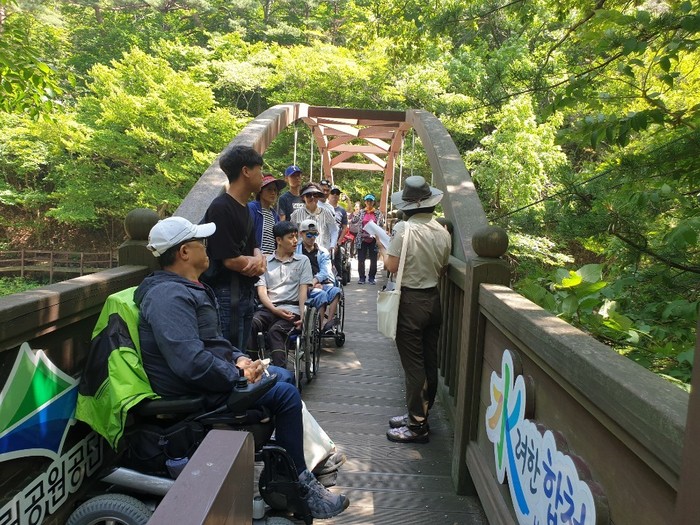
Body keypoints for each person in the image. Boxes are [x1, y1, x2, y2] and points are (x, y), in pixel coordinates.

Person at [136, 217, 350, 518]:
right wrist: (238, 375)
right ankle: (296, 484)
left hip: (206, 378)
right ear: (184, 252)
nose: (207, 247)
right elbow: (190, 362)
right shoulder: (168, 296)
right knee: (285, 394)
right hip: (189, 390)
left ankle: (293, 471)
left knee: (284, 376)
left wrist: (239, 358)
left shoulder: (183, 287)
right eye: (201, 242)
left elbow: (212, 343)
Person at [376, 176, 451, 444]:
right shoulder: (443, 231)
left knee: (414, 366)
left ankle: (417, 427)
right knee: (429, 361)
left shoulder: (404, 229)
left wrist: (382, 249)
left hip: (410, 302)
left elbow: (392, 266)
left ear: (408, 205)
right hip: (434, 300)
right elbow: (442, 267)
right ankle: (419, 415)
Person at [202, 146, 266, 350]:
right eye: (260, 169)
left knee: (241, 349)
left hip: (245, 292)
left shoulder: (245, 207)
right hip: (227, 293)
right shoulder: (221, 207)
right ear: (246, 171)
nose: (262, 176)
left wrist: (258, 259)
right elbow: (229, 259)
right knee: (230, 351)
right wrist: (257, 263)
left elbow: (253, 246)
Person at [250, 221, 313, 368]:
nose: (296, 240)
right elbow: (261, 292)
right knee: (252, 323)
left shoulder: (303, 261)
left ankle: (280, 372)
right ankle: (253, 367)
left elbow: (303, 291)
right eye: (291, 237)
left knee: (276, 331)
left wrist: (303, 317)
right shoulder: (265, 261)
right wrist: (274, 309)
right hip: (269, 308)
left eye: (296, 236)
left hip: (292, 310)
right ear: (279, 240)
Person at [296, 219, 342, 333]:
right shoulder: (296, 250)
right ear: (301, 234)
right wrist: (309, 284)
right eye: (309, 234)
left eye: (315, 234)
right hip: (302, 285)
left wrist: (315, 282)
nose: (312, 237)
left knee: (336, 291)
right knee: (321, 294)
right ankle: (318, 328)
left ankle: (327, 325)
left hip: (321, 283)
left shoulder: (323, 252)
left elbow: (325, 271)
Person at [290, 183, 338, 252]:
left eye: (315, 195)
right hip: (302, 254)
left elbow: (334, 230)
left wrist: (332, 245)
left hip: (322, 253)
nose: (312, 198)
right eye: (309, 195)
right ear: (303, 197)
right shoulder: (296, 214)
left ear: (318, 197)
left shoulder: (326, 213)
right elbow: (292, 234)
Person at [249, 174, 286, 255]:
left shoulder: (275, 215)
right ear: (260, 191)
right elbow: (248, 235)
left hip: (271, 259)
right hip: (255, 258)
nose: (273, 193)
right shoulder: (253, 208)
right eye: (269, 189)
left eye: (275, 190)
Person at [351, 194, 384, 285]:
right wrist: (355, 211)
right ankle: (361, 277)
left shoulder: (378, 213)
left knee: (373, 259)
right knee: (361, 259)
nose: (369, 202)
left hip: (373, 239)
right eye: (367, 201)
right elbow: (353, 220)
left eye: (371, 201)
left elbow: (381, 224)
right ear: (365, 202)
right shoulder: (361, 212)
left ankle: (371, 277)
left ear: (373, 202)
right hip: (362, 238)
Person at [328, 186, 349, 276]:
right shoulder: (323, 208)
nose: (335, 195)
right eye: (333, 193)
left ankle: (339, 281)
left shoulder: (342, 211)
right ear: (329, 195)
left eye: (337, 193)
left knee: (338, 262)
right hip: (325, 240)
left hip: (337, 241)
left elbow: (344, 227)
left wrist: (339, 242)